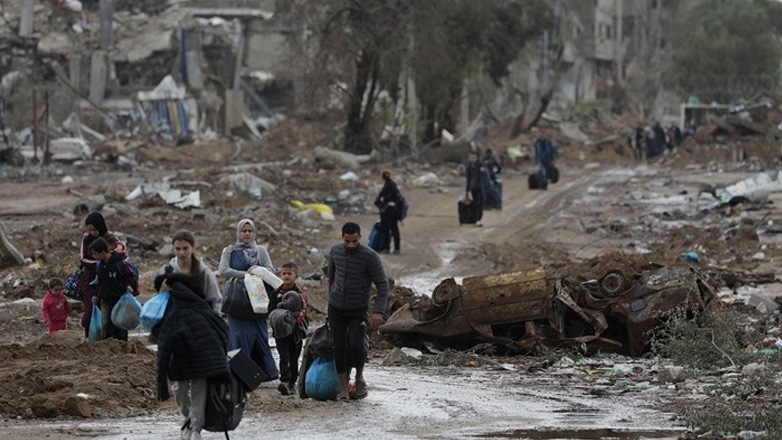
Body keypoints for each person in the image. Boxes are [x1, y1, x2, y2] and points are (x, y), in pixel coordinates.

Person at [154, 272, 230, 440]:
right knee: (182, 390)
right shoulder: (190, 307)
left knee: (196, 391)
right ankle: (187, 420)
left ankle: (195, 427)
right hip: (183, 359)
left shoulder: (181, 309)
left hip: (199, 359)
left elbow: (162, 343)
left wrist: (161, 375)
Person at [327, 222, 390, 401]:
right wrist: (329, 304)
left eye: (354, 241)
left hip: (358, 309)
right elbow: (331, 279)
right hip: (336, 308)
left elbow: (383, 285)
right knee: (338, 348)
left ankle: (359, 377)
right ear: (342, 238)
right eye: (347, 241)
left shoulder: (370, 257)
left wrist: (378, 311)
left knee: (356, 346)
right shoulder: (335, 252)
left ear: (360, 237)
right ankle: (344, 389)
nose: (351, 245)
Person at [218, 218, 279, 381]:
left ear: (254, 233)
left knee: (259, 334)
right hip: (237, 301)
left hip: (257, 301)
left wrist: (257, 270)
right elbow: (223, 270)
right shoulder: (229, 250)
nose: (247, 234)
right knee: (239, 335)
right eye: (243, 231)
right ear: (238, 233)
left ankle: (264, 373)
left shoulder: (261, 251)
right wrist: (245, 275)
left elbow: (270, 270)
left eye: (250, 231)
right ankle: (239, 373)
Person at [268, 261, 308, 396]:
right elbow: (271, 311)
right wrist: (278, 320)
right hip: (280, 332)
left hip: (295, 332)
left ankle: (292, 383)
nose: (286, 276)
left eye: (289, 273)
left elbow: (302, 312)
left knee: (294, 357)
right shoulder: (276, 293)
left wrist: (290, 318)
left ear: (296, 276)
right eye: (284, 273)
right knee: (283, 356)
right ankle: (284, 381)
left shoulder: (300, 294)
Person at [160, 230, 221, 312]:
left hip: (200, 318)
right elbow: (160, 298)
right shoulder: (167, 270)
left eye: (185, 248)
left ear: (193, 248)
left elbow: (215, 300)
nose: (181, 252)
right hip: (173, 319)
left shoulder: (204, 272)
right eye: (178, 249)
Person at [90, 237, 138, 341]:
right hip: (106, 299)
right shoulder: (100, 266)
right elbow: (99, 283)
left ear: (103, 253)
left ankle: (122, 344)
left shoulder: (119, 263)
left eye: (95, 254)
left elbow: (129, 276)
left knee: (120, 322)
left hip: (119, 298)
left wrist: (128, 286)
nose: (93, 257)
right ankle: (108, 344)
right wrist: (97, 296)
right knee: (106, 323)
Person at [79, 211, 108, 338]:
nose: (92, 233)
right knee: (90, 308)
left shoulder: (109, 238)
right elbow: (83, 259)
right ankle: (89, 336)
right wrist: (98, 263)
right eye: (89, 230)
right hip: (89, 280)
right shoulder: (86, 240)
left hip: (106, 280)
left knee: (105, 308)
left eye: (94, 229)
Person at [374, 170, 402, 254]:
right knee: (392, 229)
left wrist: (382, 199)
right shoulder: (391, 184)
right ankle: (395, 249)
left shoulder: (389, 185)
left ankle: (389, 248)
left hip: (388, 210)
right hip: (391, 210)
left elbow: (390, 196)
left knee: (388, 229)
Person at [464, 152, 484, 227]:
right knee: (475, 204)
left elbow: (486, 174)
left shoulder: (480, 165)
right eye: (471, 158)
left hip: (481, 188)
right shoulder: (468, 167)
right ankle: (476, 219)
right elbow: (468, 179)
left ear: (476, 158)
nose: (472, 160)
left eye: (473, 158)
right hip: (473, 188)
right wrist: (467, 190)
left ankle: (478, 220)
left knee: (479, 204)